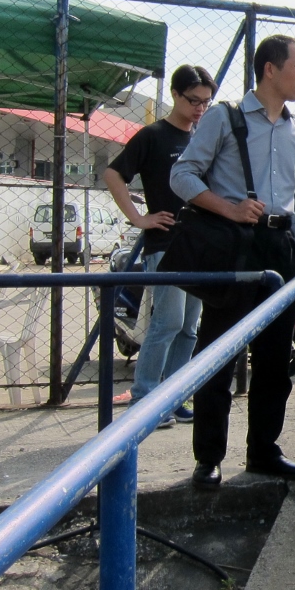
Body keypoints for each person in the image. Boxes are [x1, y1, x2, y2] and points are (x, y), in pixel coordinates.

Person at [169, 34, 295, 488]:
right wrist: (228, 209)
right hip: (235, 245)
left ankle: (263, 451)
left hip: (280, 249)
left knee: (275, 359)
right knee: (219, 352)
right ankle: (208, 457)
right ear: (270, 69)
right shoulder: (224, 117)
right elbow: (181, 174)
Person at [103, 64, 216, 427]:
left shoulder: (201, 137)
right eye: (193, 100)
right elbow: (113, 173)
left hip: (200, 243)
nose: (199, 108)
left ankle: (175, 396)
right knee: (168, 321)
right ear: (175, 95)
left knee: (189, 326)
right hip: (166, 242)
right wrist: (139, 218)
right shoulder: (152, 135)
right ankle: (145, 399)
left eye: (206, 102)